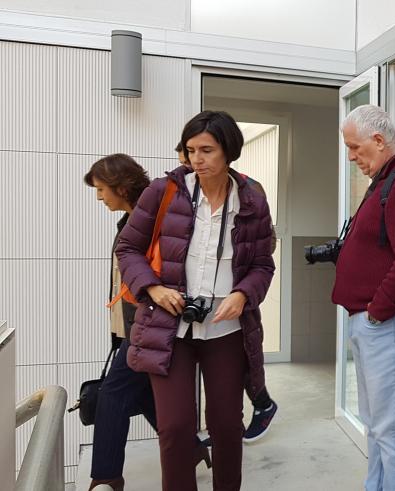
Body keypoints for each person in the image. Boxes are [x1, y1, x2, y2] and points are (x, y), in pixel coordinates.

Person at [117, 110, 275, 490]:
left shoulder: (252, 198)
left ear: (229, 151)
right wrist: (152, 288)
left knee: (226, 425)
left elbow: (262, 265)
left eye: (207, 150)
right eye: (190, 150)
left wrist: (242, 293)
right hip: (170, 327)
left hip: (227, 328)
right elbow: (128, 248)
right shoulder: (164, 191)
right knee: (174, 426)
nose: (196, 160)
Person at [85, 154, 213, 490]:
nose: (99, 196)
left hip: (156, 326)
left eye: (101, 189)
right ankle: (193, 449)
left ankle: (106, 477)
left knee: (113, 394)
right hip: (136, 326)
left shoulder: (161, 217)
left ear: (122, 188)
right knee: (140, 395)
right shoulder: (129, 220)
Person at [331, 104, 395, 491]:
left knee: (391, 428)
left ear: (378, 140)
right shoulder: (385, 182)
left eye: (356, 147)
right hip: (376, 323)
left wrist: (377, 312)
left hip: (388, 324)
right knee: (376, 424)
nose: (351, 156)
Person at [175, 142, 279, 444]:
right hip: (195, 304)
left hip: (236, 294)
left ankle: (259, 407)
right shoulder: (179, 192)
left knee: (244, 361)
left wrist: (240, 283)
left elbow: (265, 246)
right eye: (187, 157)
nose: (193, 164)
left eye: (200, 154)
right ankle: (224, 425)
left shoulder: (248, 191)